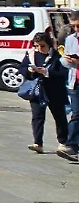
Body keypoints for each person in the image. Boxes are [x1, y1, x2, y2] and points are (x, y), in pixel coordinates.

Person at [24, 31, 68, 154]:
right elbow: (22, 69)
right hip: (37, 91)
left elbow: (63, 73)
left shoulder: (57, 56)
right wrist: (29, 70)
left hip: (54, 91)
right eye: (36, 45)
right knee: (37, 116)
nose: (39, 48)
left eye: (42, 46)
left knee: (59, 117)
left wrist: (47, 73)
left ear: (48, 44)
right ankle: (38, 143)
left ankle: (63, 142)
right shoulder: (31, 54)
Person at [61, 12, 79, 160]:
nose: (76, 29)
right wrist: (66, 60)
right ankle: (71, 146)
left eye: (78, 26)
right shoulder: (70, 39)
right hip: (75, 81)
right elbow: (65, 62)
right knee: (76, 114)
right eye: (73, 26)